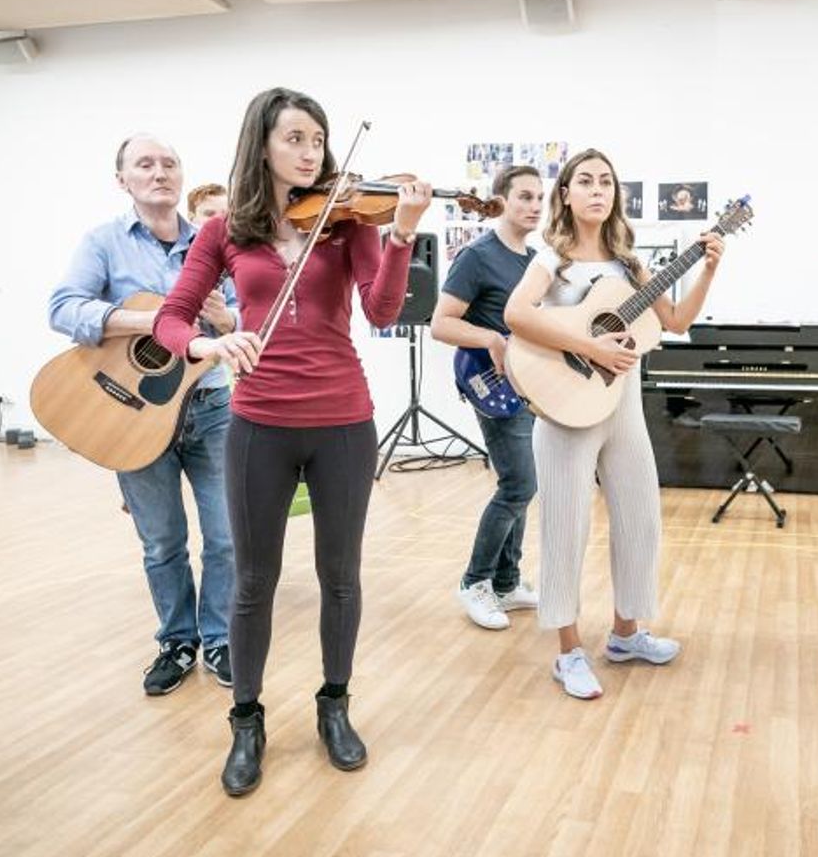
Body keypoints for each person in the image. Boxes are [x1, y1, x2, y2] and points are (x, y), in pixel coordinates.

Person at [152, 87, 431, 796]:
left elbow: (383, 309)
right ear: (263, 145)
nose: (310, 152)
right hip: (258, 422)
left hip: (343, 418)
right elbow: (172, 318)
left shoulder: (348, 223)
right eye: (295, 139)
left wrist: (400, 234)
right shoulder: (225, 231)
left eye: (318, 139)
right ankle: (246, 720)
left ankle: (334, 705)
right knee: (253, 581)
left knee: (341, 575)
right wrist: (212, 347)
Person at [503, 149, 724, 700]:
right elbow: (516, 315)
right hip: (566, 408)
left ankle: (626, 634)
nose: (597, 189)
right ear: (568, 195)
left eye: (606, 181)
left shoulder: (630, 266)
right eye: (586, 181)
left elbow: (675, 321)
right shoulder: (551, 261)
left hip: (622, 404)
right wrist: (587, 343)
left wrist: (709, 269)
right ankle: (569, 651)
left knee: (640, 516)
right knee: (566, 527)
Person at [48, 134, 240, 695]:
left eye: (170, 163)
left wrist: (224, 320)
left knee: (227, 537)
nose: (160, 172)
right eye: (145, 164)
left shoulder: (214, 241)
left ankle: (221, 637)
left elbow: (249, 317)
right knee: (162, 543)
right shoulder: (103, 243)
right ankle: (177, 640)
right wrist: (153, 321)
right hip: (130, 411)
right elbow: (64, 308)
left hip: (210, 408)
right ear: (123, 180)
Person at [430, 165, 544, 630]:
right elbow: (441, 323)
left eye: (540, 198)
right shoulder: (478, 256)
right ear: (501, 200)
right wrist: (491, 339)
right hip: (489, 384)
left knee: (521, 482)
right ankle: (474, 582)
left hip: (527, 386)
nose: (535, 205)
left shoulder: (534, 260)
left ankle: (506, 581)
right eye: (524, 197)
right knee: (519, 484)